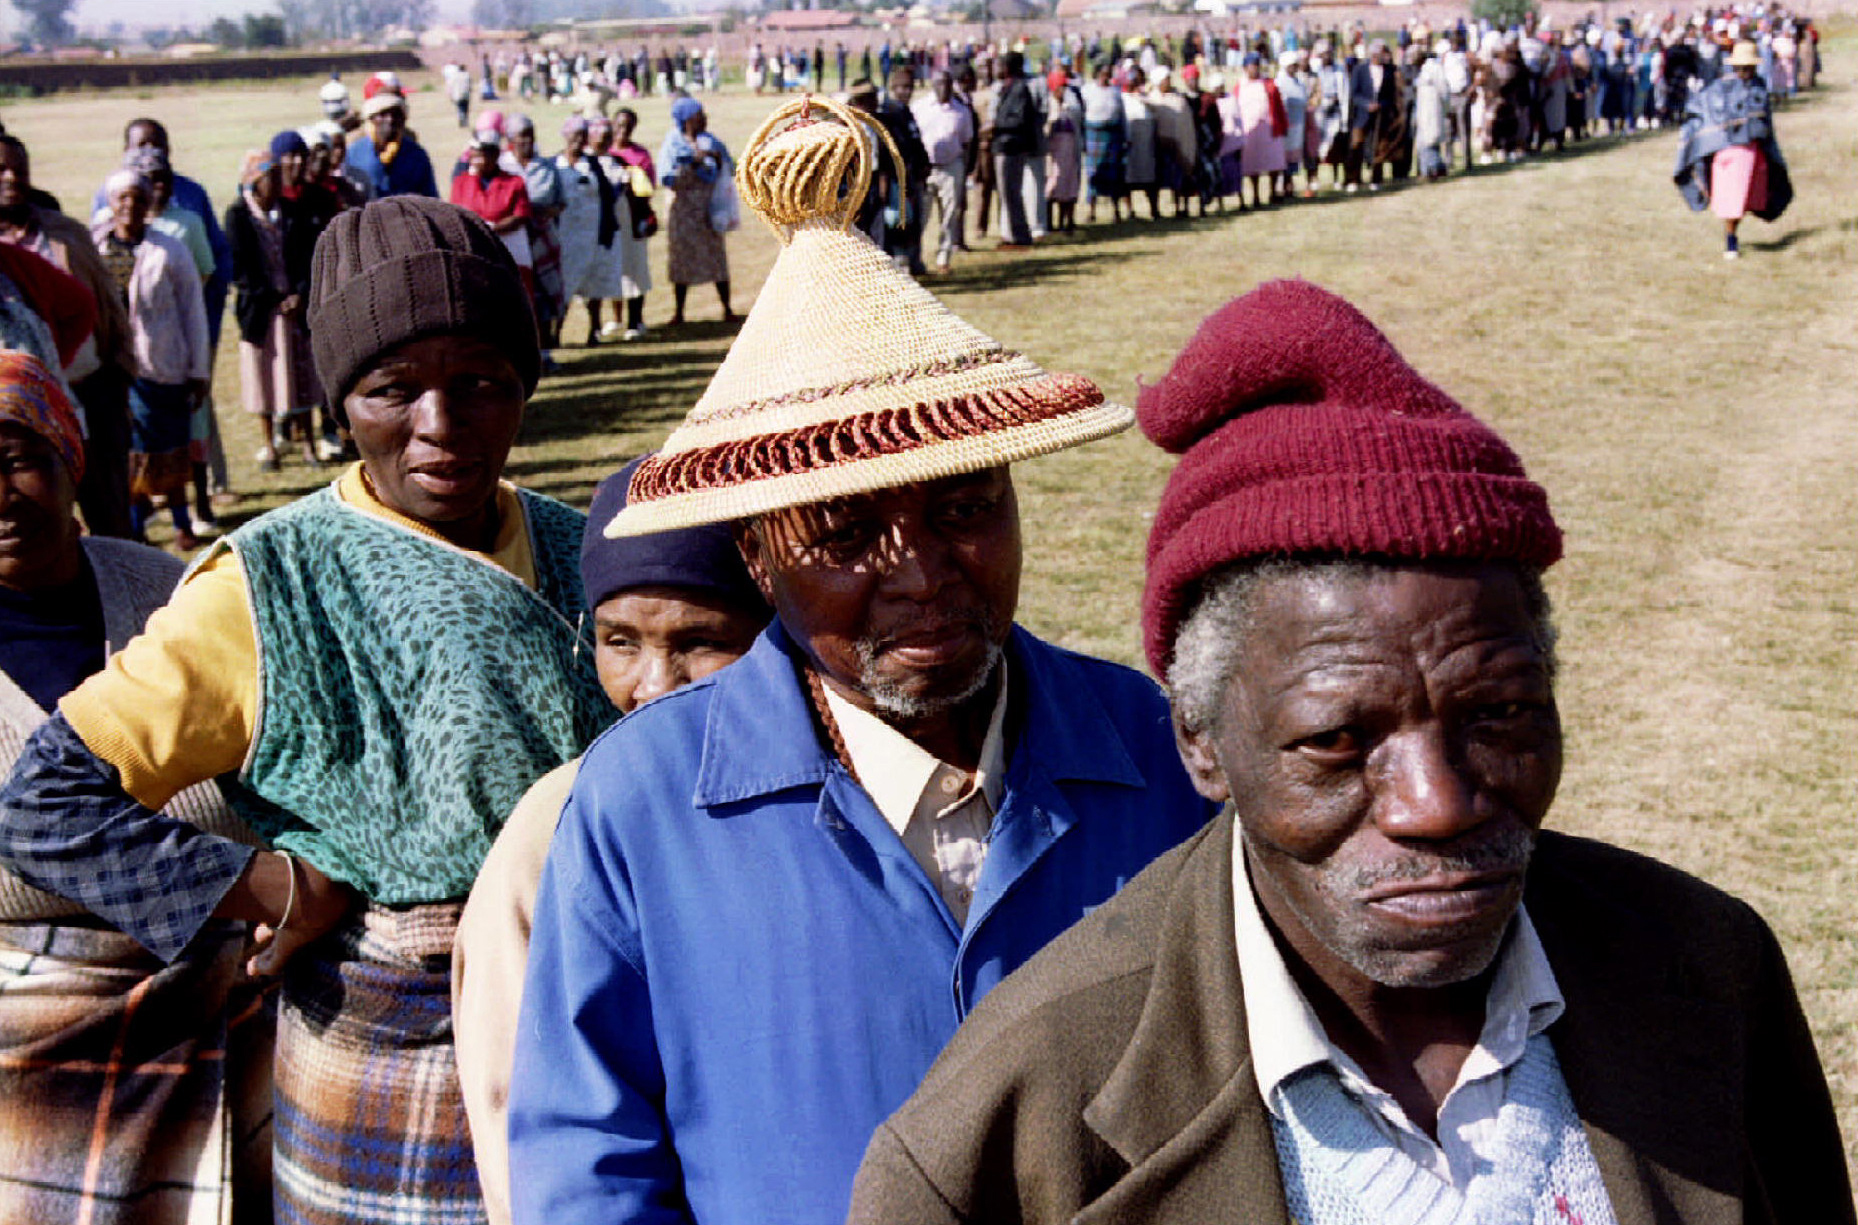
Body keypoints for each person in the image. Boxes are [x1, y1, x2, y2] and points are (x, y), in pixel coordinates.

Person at [847, 279, 1857, 1224]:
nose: (1437, 802)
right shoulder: (1017, 1115)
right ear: (1201, 744)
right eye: (1337, 739)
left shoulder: (1707, 969)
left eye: (1498, 713)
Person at [506, 96, 1212, 1225]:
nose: (919, 568)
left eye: (966, 504)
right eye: (840, 533)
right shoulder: (639, 805)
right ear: (756, 555)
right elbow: (590, 1175)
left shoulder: (1156, 752)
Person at [0, 197, 616, 1225]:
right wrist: (266, 881)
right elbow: (45, 804)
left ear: (524, 383)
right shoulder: (267, 585)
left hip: (593, 1012)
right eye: (392, 389)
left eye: (481, 384)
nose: (441, 425)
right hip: (396, 1049)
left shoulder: (583, 549)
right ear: (339, 400)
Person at [454, 457, 773, 1225]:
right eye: (619, 640)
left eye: (701, 639)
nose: (654, 684)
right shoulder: (556, 826)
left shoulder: (825, 799)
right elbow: (520, 1122)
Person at [0, 350, 273, 1225]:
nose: (2, 497)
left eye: (18, 460)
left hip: (227, 979)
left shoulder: (167, 594)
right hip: (36, 1018)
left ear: (70, 458)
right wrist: (220, 883)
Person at [0, 134, 135, 539]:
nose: (12, 177)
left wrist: (42, 369)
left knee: (107, 513)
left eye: (19, 168)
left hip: (84, 395)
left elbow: (89, 306)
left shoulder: (59, 233)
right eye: (1, 169)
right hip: (14, 422)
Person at [94, 167, 207, 550]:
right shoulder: (94, 247)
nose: (130, 205)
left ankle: (181, 524)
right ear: (111, 202)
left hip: (162, 366)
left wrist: (198, 369)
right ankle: (135, 527)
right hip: (110, 369)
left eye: (138, 198)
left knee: (170, 447)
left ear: (149, 204)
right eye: (122, 197)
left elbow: (193, 309)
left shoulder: (169, 249)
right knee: (129, 451)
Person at [225, 148, 318, 473]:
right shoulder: (238, 216)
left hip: (294, 308)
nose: (278, 183)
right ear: (255, 181)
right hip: (261, 311)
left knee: (302, 374)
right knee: (263, 380)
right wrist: (272, 298)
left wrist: (300, 294)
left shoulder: (292, 212)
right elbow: (241, 268)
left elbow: (308, 257)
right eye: (271, 177)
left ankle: (308, 444)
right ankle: (270, 447)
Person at [1675, 40, 1791, 261]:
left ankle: (1733, 233)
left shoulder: (1759, 87)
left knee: (1748, 199)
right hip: (1728, 152)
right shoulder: (1720, 88)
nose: (1745, 71)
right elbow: (1700, 110)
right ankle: (1730, 239)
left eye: (1749, 67)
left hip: (1753, 152)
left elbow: (1765, 122)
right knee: (1731, 199)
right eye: (1742, 67)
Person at [660, 97, 735, 325]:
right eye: (699, 115)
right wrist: (693, 161)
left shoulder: (710, 141)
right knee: (682, 258)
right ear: (687, 119)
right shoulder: (673, 143)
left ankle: (727, 308)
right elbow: (667, 176)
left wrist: (714, 158)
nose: (704, 119)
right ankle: (679, 311)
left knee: (716, 258)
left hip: (707, 208)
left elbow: (729, 166)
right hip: (683, 209)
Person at [553, 116, 625, 344]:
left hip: (593, 235)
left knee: (594, 286)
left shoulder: (593, 165)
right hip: (564, 238)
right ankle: (555, 334)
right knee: (562, 288)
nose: (578, 140)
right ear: (565, 136)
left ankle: (593, 330)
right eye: (574, 135)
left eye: (582, 135)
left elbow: (608, 197)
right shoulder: (554, 165)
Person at [507, 114, 566, 354]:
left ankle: (545, 351)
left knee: (544, 296)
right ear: (510, 139)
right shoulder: (502, 165)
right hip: (511, 238)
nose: (526, 141)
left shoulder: (547, 167)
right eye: (521, 136)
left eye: (529, 135)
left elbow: (561, 202)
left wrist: (540, 212)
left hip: (542, 239)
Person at [913, 69, 974, 272]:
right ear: (932, 84)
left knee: (950, 214)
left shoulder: (961, 111)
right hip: (926, 168)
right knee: (921, 215)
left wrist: (965, 169)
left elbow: (967, 141)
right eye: (939, 83)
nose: (944, 88)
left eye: (947, 84)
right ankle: (916, 258)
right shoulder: (920, 107)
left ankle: (943, 257)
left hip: (951, 167)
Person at [345, 81, 439, 199]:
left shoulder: (416, 154)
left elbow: (430, 197)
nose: (390, 120)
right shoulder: (354, 153)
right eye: (383, 114)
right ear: (372, 118)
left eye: (396, 114)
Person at [991, 52, 1041, 247]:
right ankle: (1013, 234)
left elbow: (1019, 120)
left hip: (1012, 146)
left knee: (1011, 192)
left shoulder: (1020, 89)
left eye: (1000, 65)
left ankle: (1021, 236)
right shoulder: (1007, 88)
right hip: (1004, 145)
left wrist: (995, 125)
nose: (996, 69)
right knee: (1007, 193)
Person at [1081, 62, 1127, 222]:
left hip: (1113, 136)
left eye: (1108, 74)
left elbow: (1122, 116)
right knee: (1093, 174)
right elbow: (1081, 115)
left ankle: (1116, 211)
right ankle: (1091, 211)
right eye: (1103, 74)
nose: (1105, 77)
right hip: (1094, 135)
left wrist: (1125, 137)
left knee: (1114, 175)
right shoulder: (1087, 91)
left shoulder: (1115, 92)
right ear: (1097, 74)